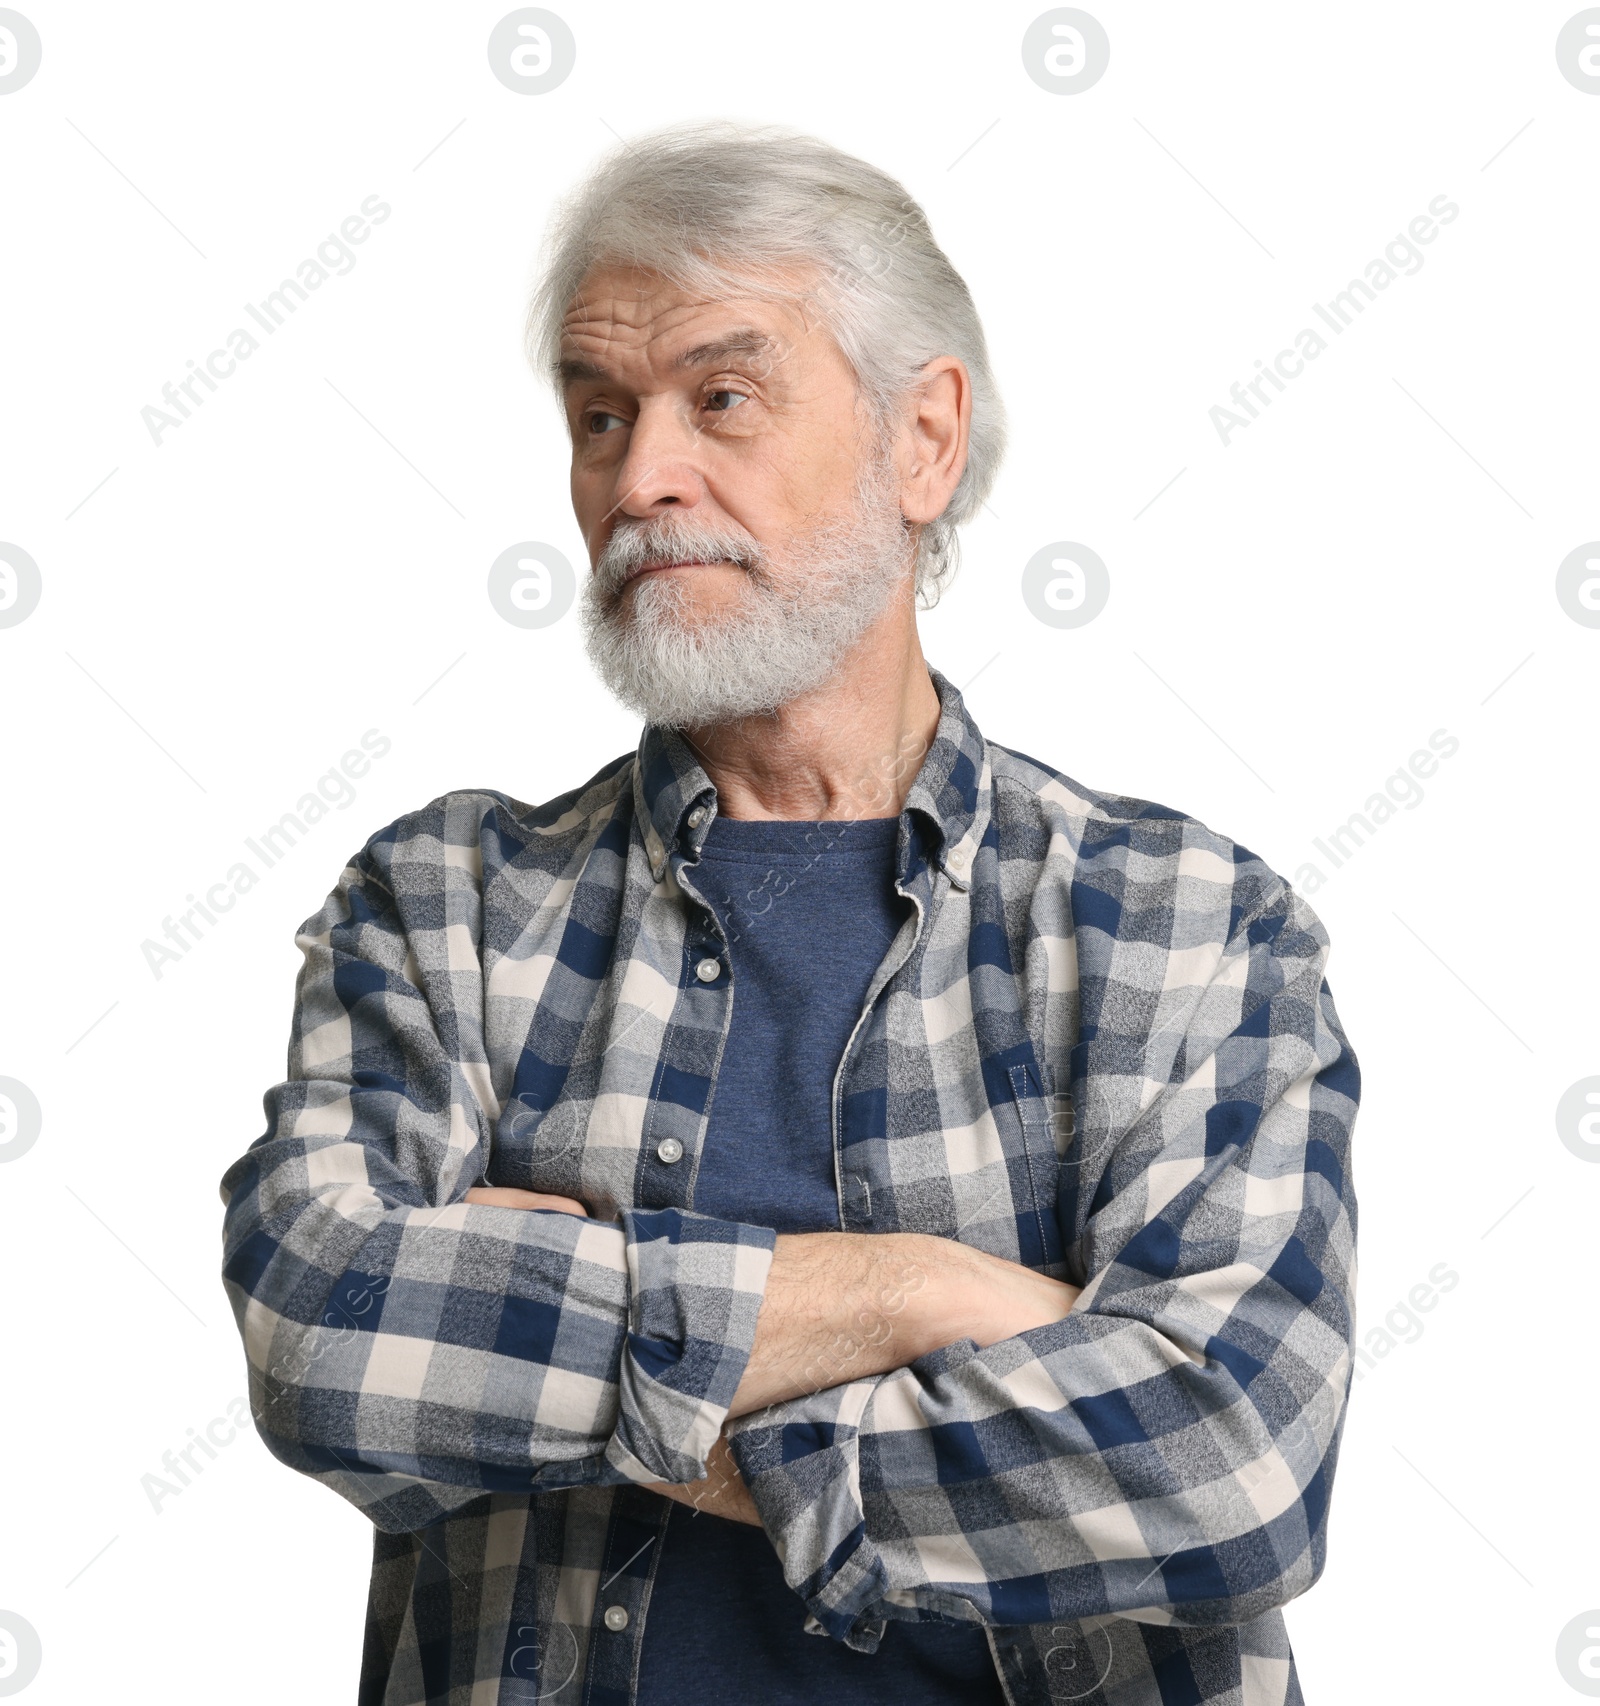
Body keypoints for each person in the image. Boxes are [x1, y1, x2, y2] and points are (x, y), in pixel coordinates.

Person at [218, 121, 1359, 1706]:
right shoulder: (447, 910)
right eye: (599, 415)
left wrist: (551, 1342)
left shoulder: (1186, 926)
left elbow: (1230, 1455)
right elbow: (329, 1336)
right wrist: (922, 1296)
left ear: (924, 441)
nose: (641, 477)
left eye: (722, 399)